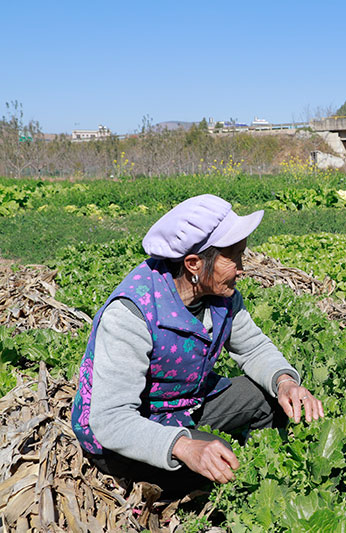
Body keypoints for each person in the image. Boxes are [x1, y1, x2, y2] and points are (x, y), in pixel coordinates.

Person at [71, 194, 323, 494]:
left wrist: (284, 383)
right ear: (193, 263)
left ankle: (263, 476)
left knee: (266, 398)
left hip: (183, 403)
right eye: (233, 258)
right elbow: (111, 420)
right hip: (127, 434)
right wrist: (184, 446)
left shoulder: (221, 296)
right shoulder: (132, 314)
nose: (242, 269)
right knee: (224, 461)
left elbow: (253, 348)